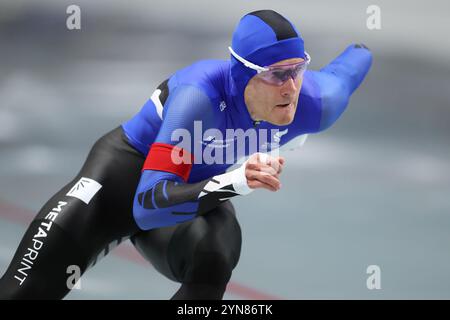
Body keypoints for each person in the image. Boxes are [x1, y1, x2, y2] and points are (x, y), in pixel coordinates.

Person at [0, 9, 372, 299]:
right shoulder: (199, 98)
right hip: (120, 184)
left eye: (298, 69)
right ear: (243, 76)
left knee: (217, 252)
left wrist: (361, 46)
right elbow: (147, 204)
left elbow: (352, 66)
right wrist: (235, 182)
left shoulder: (315, 103)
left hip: (185, 199)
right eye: (276, 74)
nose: (291, 86)